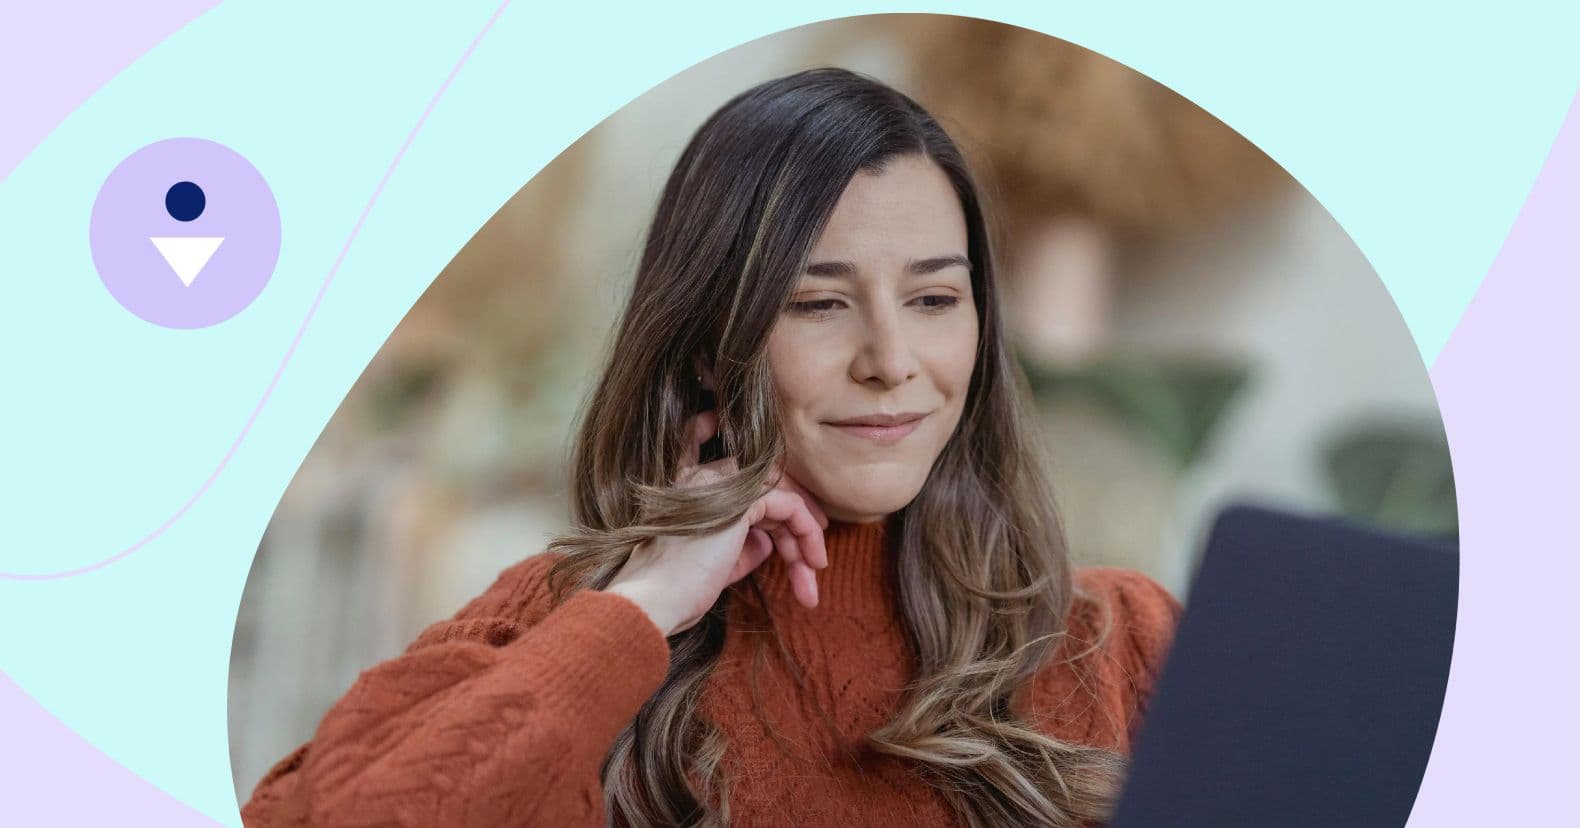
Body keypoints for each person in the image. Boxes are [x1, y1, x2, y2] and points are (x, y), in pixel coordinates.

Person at [239, 66, 1181, 828]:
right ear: (706, 343)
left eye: (935, 300)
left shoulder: (1124, 642)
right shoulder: (566, 626)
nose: (893, 363)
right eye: (818, 303)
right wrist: (646, 607)